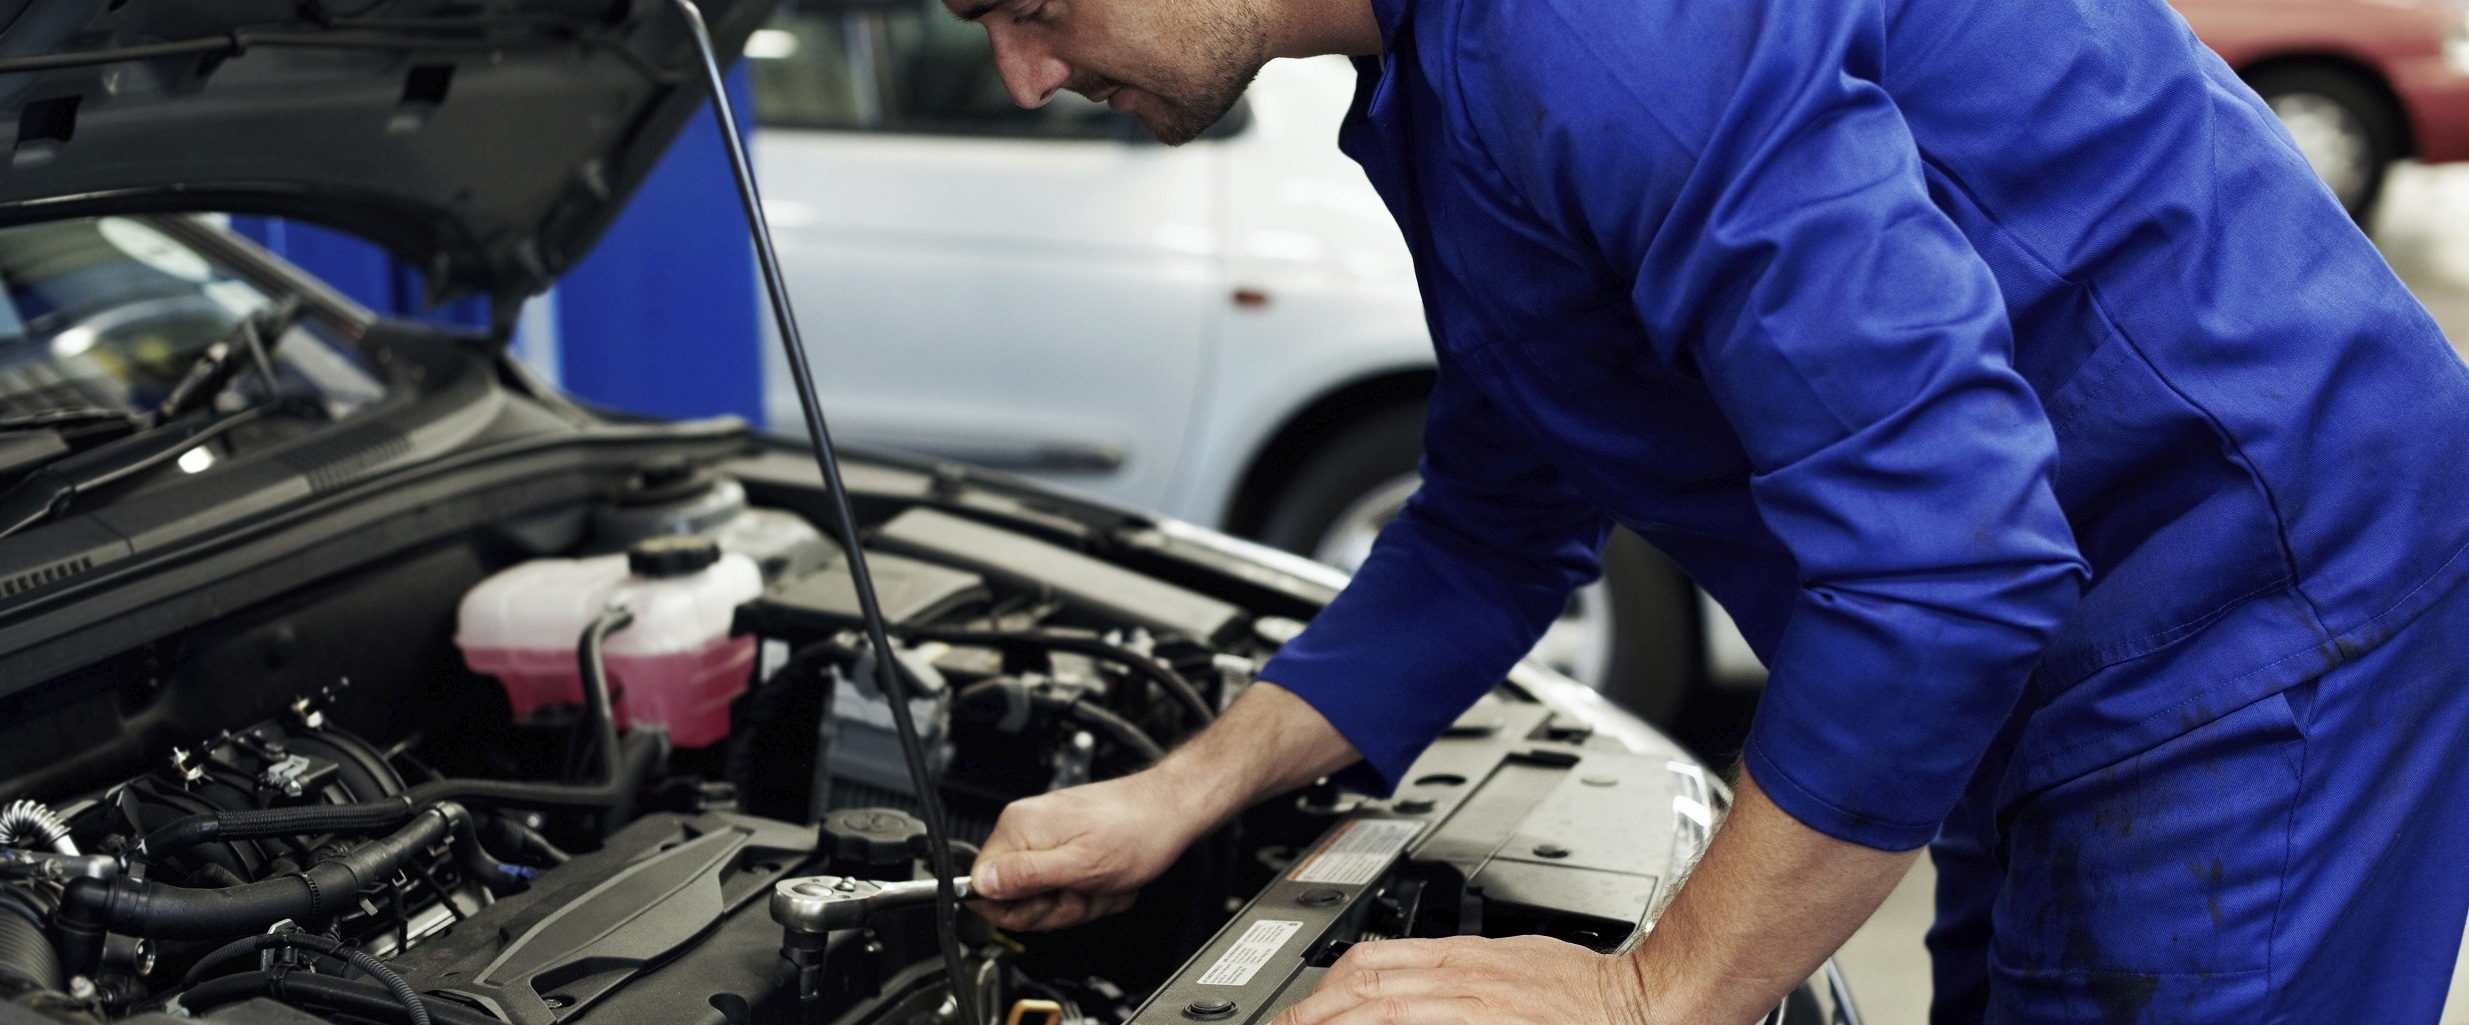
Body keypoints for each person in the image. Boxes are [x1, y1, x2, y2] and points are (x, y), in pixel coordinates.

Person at [940, 0, 2469, 1017]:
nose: (1024, 70)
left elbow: (1944, 568)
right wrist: (1181, 793)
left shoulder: (1598, 32)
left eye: (1027, 0)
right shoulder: (1443, 72)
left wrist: (1644, 992)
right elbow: (1489, 522)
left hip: (2257, 596)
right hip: (2058, 644)